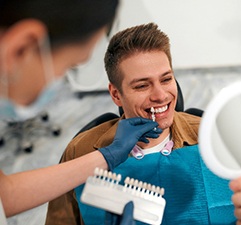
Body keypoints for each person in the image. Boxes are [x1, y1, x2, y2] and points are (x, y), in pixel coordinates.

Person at [45, 23, 241, 225]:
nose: (161, 95)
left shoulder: (215, 137)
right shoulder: (82, 152)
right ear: (116, 94)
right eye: (142, 85)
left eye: (166, 79)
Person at [0, 0, 160, 223]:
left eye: (166, 78)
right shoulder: (79, 146)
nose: (159, 95)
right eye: (69, 66)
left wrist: (107, 157)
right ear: (20, 49)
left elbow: (4, 195)